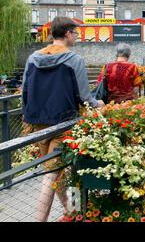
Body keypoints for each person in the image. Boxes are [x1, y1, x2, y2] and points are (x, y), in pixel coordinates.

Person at [22, 17, 105, 222]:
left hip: (39, 123)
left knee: (56, 172)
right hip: (65, 123)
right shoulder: (73, 59)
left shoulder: (33, 58)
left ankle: (72, 211)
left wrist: (27, 118)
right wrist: (99, 104)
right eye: (76, 33)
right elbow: (85, 97)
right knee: (53, 173)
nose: (77, 37)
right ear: (67, 33)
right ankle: (41, 219)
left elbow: (24, 91)